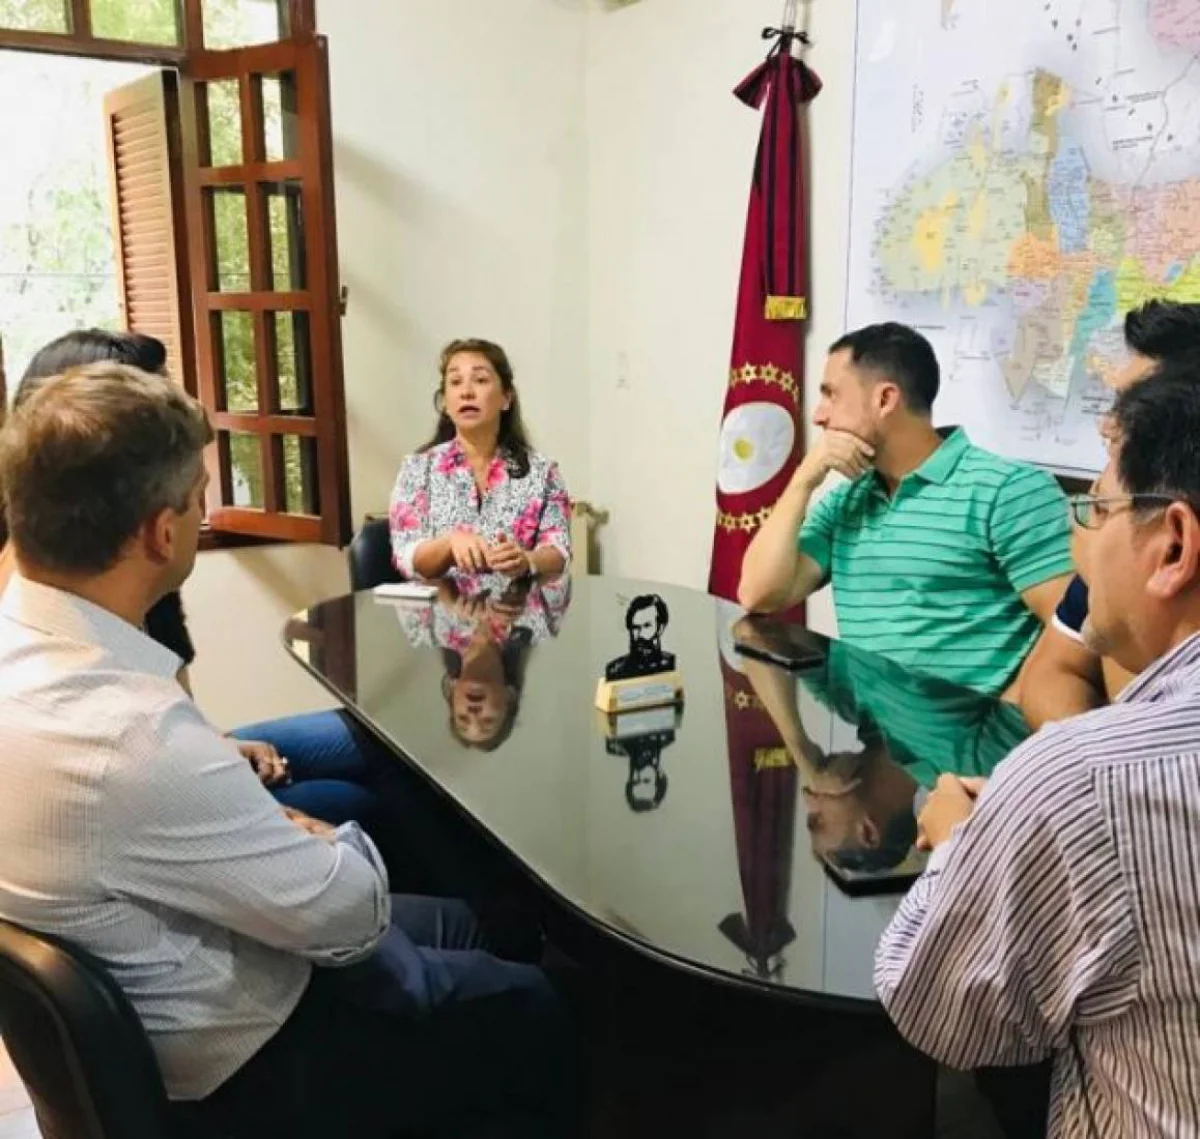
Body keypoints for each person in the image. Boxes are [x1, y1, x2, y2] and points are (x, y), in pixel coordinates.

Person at [0, 364, 572, 1138]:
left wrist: (277, 829)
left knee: (467, 913)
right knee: (536, 999)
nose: (203, 512)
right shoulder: (133, 732)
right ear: (161, 533)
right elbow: (351, 914)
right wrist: (322, 838)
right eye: (199, 497)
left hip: (165, 998)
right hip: (255, 1062)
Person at [875, 362, 1200, 1137]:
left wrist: (974, 836)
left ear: (1174, 545)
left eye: (1097, 507)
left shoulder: (1084, 779)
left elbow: (933, 1005)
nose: (1078, 538)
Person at [2, 329, 384, 830]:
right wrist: (274, 820)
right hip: (147, 785)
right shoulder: (40, 598)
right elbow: (140, 761)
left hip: (181, 753)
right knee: (354, 801)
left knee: (376, 751)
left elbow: (176, 711)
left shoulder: (140, 569)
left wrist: (219, 747)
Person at [738, 322, 1073, 698]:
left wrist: (1003, 711)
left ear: (885, 400)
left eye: (832, 394)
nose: (819, 415)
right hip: (874, 728)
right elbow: (758, 594)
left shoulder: (1008, 490)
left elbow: (1075, 634)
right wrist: (803, 480)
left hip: (971, 731)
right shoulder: (847, 502)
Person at [1020, 298, 1200, 729]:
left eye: (1132, 404)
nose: (1107, 423)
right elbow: (1052, 672)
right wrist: (1094, 752)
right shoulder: (1116, 528)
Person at [389, 338, 571, 581]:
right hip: (442, 604)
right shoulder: (417, 469)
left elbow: (559, 551)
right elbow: (406, 557)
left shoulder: (542, 472)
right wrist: (449, 544)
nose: (466, 392)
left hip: (516, 603)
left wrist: (527, 560)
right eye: (455, 382)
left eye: (481, 380)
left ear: (506, 398)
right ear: (445, 403)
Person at [604, 593, 676, 682]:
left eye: (646, 626)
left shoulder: (669, 662)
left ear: (661, 627)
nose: (640, 634)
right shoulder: (616, 670)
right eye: (635, 628)